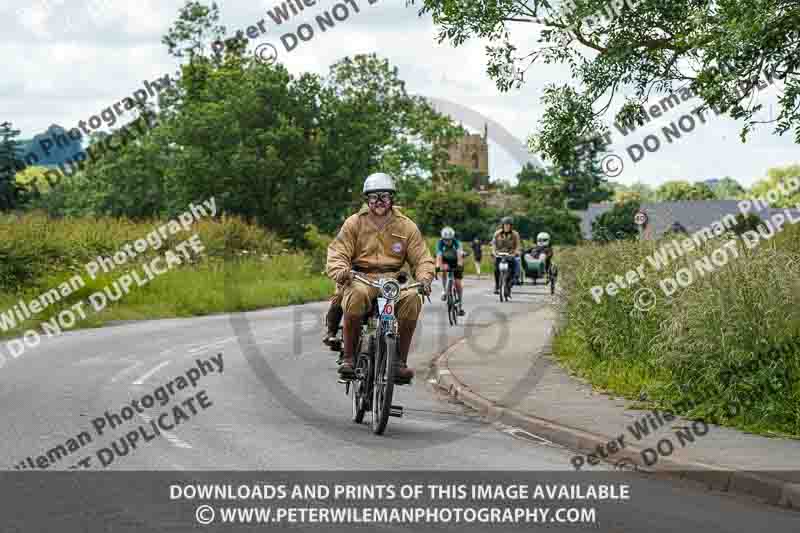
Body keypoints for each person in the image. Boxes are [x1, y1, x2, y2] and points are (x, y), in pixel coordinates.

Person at [326, 172, 435, 379]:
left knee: (412, 298)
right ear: (367, 199)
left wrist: (424, 278)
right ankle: (349, 358)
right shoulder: (354, 223)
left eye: (384, 196)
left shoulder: (406, 226)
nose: (379, 202)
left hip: (392, 281)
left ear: (392, 198)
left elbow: (422, 257)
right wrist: (341, 271)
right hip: (360, 278)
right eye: (374, 197)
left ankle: (398, 362)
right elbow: (338, 251)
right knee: (355, 295)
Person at [435, 227, 465, 316]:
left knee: (458, 283)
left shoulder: (457, 243)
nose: (447, 242)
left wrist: (459, 266)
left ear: (452, 238)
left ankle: (460, 304)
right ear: (442, 239)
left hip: (456, 261)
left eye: (449, 240)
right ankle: (445, 290)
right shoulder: (440, 243)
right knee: (443, 269)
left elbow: (459, 256)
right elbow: (439, 256)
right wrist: (437, 267)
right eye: (445, 240)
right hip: (445, 260)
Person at [491, 216, 521, 294]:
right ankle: (497, 286)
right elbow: (493, 244)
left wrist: (515, 252)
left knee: (516, 267)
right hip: (500, 254)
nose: (507, 226)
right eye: (505, 225)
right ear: (502, 225)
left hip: (510, 255)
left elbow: (518, 245)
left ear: (511, 226)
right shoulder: (497, 233)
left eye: (508, 225)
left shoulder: (515, 234)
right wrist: (494, 252)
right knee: (496, 269)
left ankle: (511, 282)